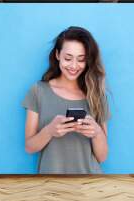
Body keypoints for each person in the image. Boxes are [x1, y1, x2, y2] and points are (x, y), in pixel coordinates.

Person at [22, 26, 110, 174]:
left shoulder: (97, 95)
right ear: (57, 55)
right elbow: (29, 147)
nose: (74, 66)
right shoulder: (38, 91)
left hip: (88, 184)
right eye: (68, 58)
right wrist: (49, 131)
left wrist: (97, 132)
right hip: (51, 184)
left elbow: (102, 157)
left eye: (81, 59)